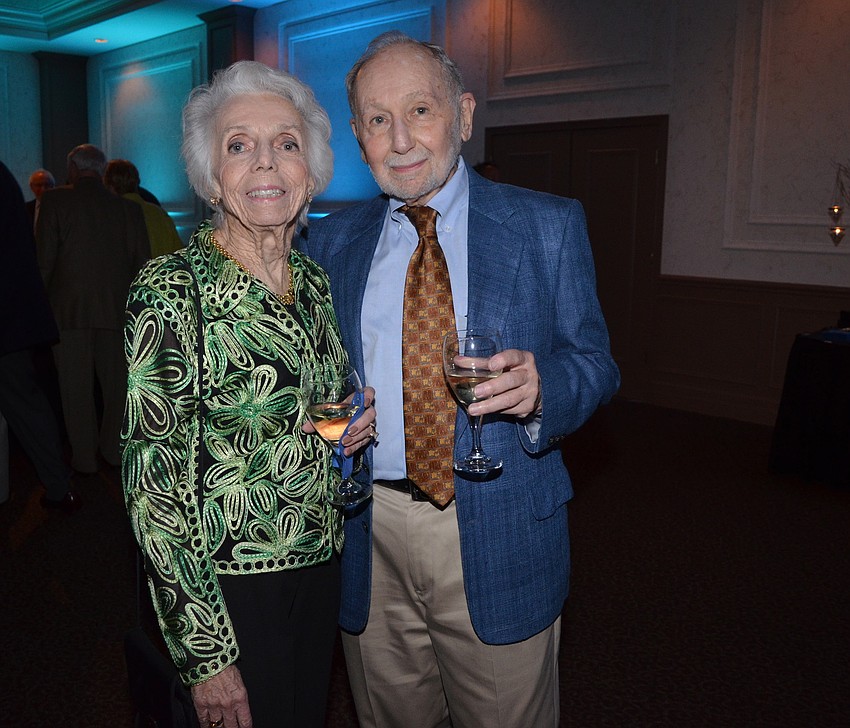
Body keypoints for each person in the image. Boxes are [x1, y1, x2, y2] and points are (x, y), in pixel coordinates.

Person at [303, 31, 620, 728]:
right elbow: (315, 374)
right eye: (378, 120)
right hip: (370, 532)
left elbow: (595, 363)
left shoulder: (548, 225)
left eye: (420, 109)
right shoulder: (329, 244)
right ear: (358, 137)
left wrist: (544, 389)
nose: (401, 137)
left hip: (499, 526)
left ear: (465, 114)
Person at [121, 60, 377, 728]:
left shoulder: (315, 284)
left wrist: (351, 435)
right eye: (240, 145)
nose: (267, 163)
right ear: (211, 175)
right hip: (229, 587)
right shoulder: (170, 289)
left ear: (312, 170)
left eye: (287, 143)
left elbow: (319, 416)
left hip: (321, 562)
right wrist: (205, 656)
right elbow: (154, 492)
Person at [36, 143, 150, 475]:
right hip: (116, 310)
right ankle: (112, 450)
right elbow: (142, 265)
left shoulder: (54, 201)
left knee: (75, 390)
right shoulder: (128, 211)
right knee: (116, 387)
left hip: (66, 310)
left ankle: (83, 458)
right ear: (101, 171)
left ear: (72, 169)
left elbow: (44, 261)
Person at [0, 159, 80, 512]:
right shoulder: (5, 179)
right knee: (27, 405)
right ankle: (59, 485)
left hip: (8, 320)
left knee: (25, 405)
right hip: (11, 320)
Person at [105, 158, 183, 257]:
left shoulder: (111, 216)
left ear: (109, 186)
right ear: (137, 181)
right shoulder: (158, 213)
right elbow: (177, 250)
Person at [25, 168, 56, 233]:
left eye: (47, 185)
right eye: (38, 185)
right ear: (31, 187)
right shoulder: (24, 209)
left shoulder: (61, 208)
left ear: (53, 187)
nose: (43, 189)